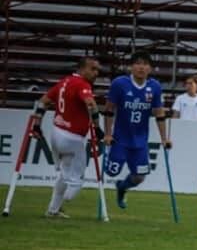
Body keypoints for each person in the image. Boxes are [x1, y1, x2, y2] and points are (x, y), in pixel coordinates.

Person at [30, 57, 105, 218]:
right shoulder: (82, 84)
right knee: (77, 179)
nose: (96, 73)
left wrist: (37, 124)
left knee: (64, 173)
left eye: (97, 70)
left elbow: (43, 102)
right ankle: (67, 197)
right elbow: (90, 104)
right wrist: (98, 127)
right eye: (93, 69)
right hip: (73, 138)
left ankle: (53, 210)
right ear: (82, 69)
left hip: (56, 133)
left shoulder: (63, 82)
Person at [103, 52, 171, 209]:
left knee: (140, 177)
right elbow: (109, 110)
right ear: (131, 67)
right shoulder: (119, 84)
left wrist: (164, 138)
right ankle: (118, 181)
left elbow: (159, 113)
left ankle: (122, 187)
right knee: (111, 172)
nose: (141, 67)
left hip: (140, 141)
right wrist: (107, 133)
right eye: (138, 63)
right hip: (120, 139)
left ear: (150, 68)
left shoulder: (154, 87)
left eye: (145, 64)